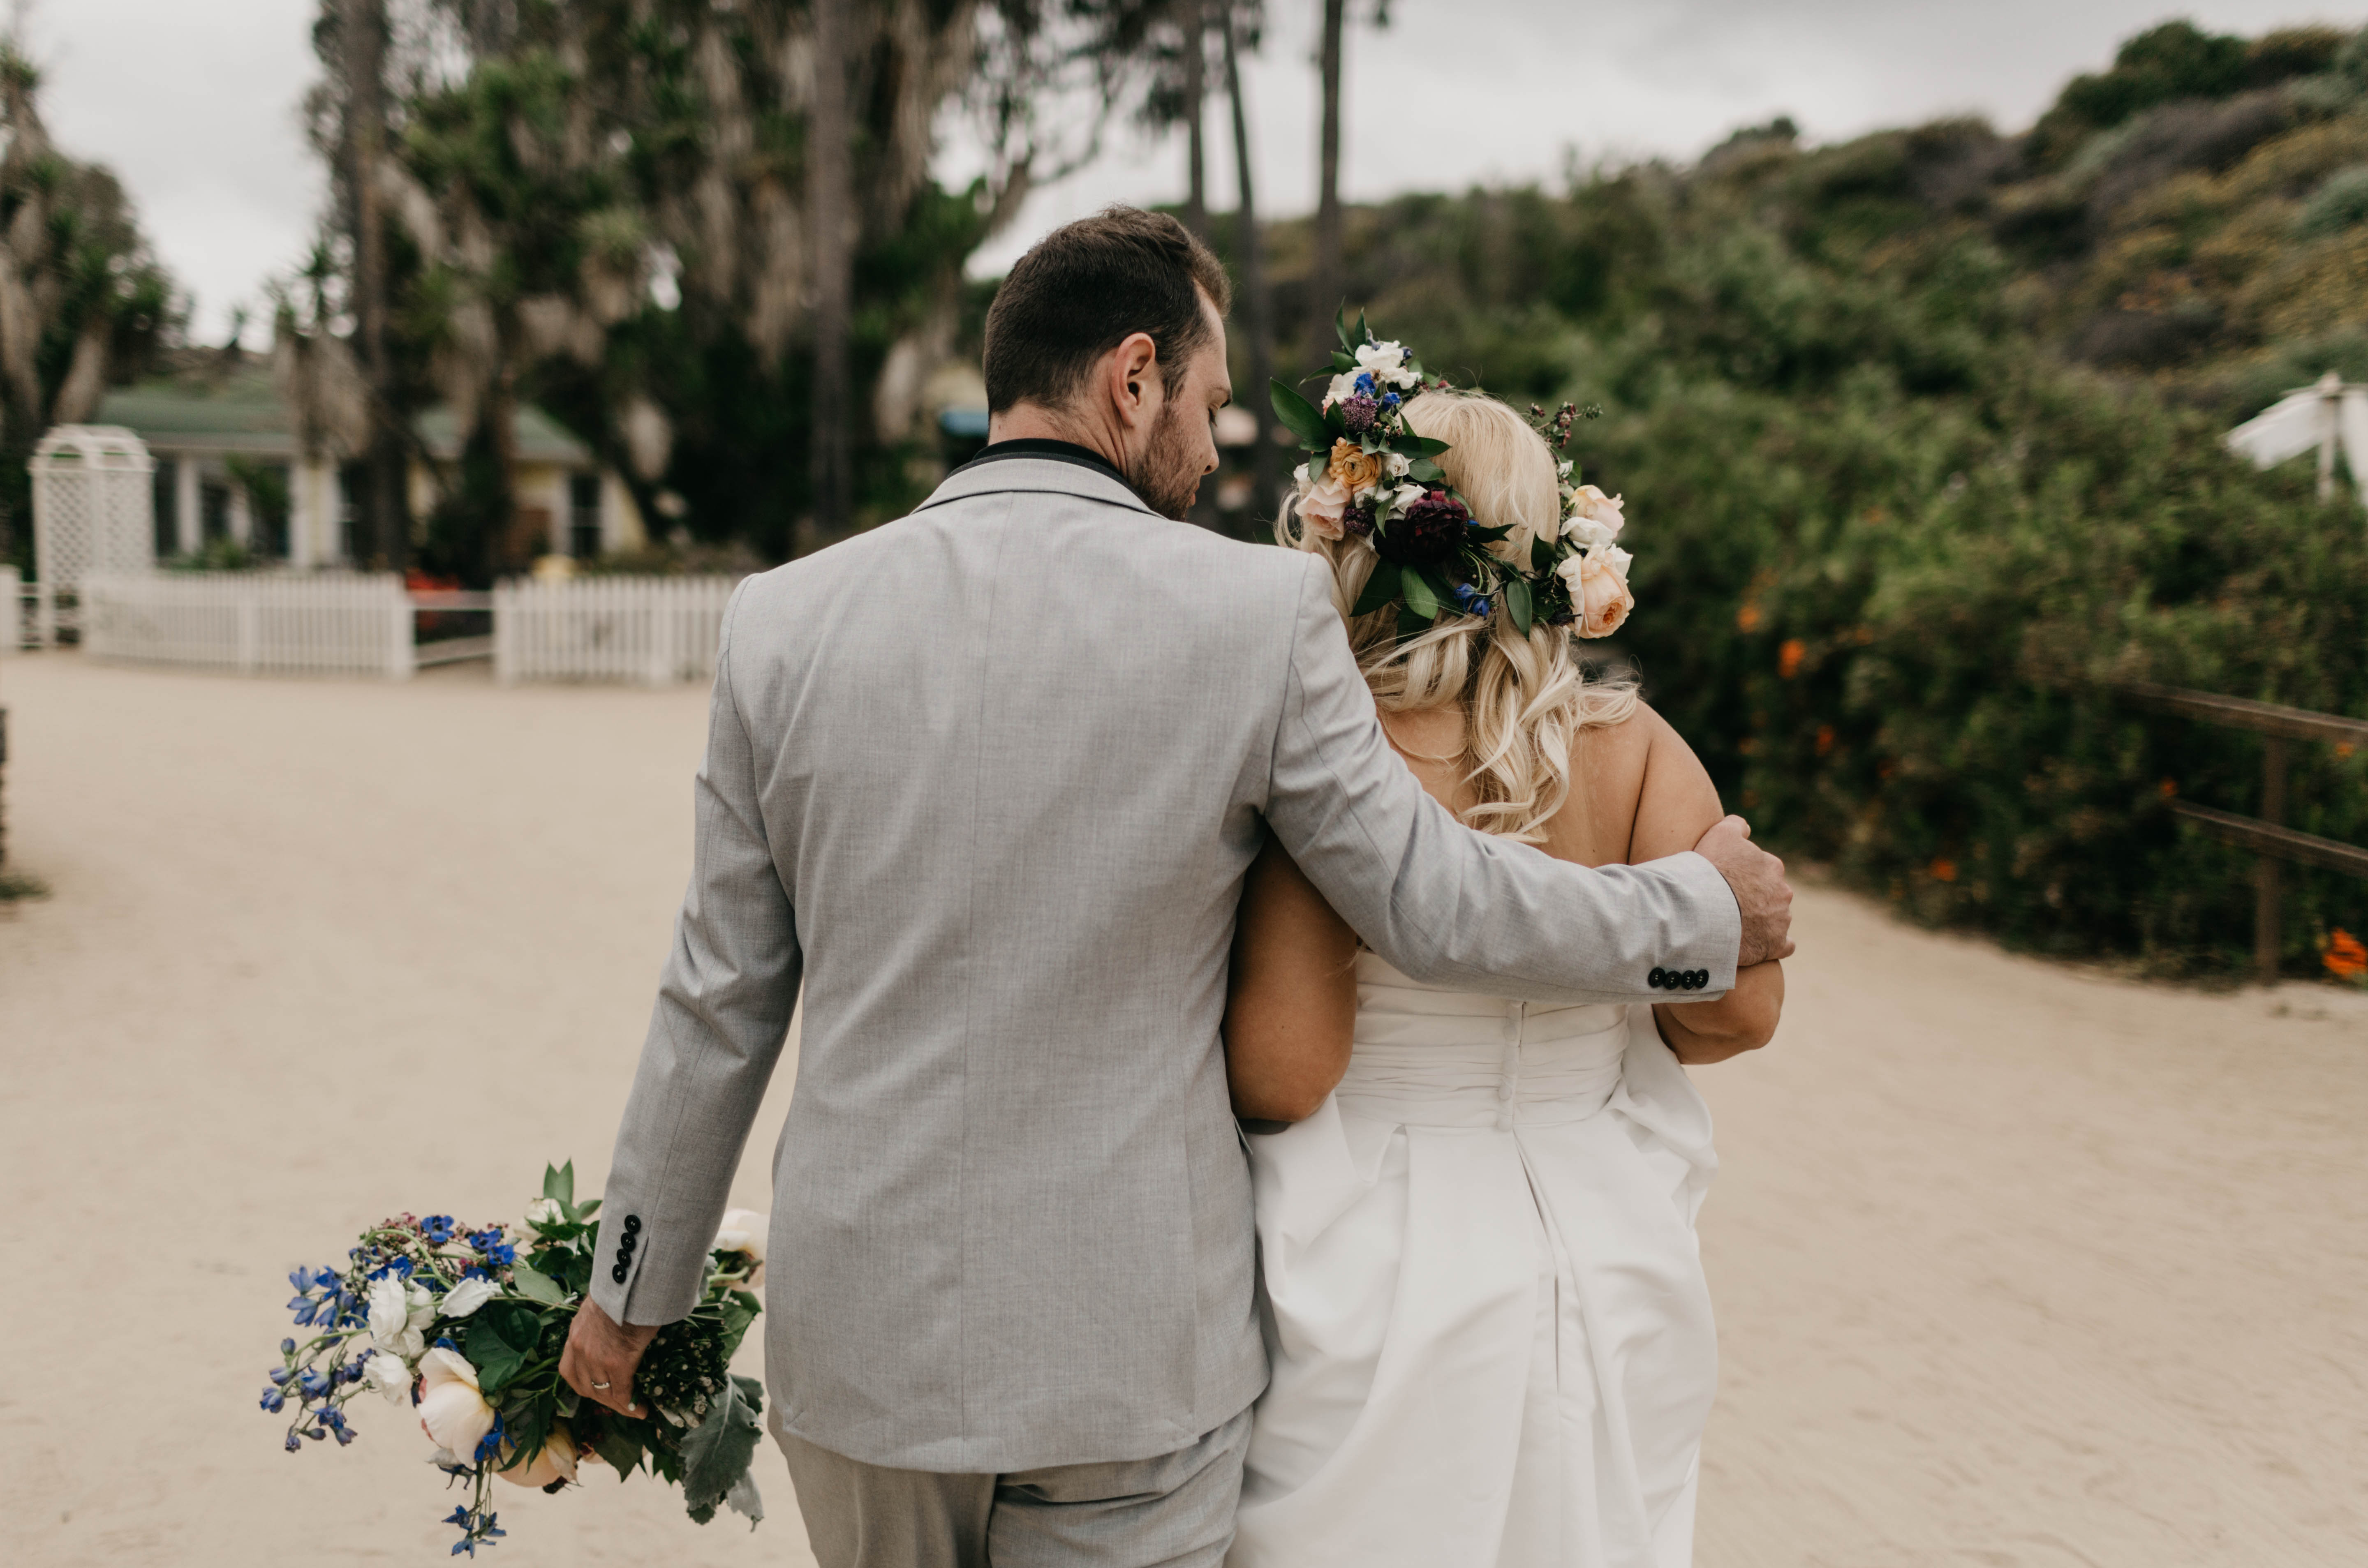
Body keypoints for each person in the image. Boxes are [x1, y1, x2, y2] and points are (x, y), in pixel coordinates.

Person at [555, 206, 1793, 1568]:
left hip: (866, 1351)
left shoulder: (779, 620)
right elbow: (1434, 903)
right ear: (1129, 377)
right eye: (1205, 403)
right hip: (1134, 1359)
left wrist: (630, 1290)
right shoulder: (1258, 615)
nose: (1212, 449)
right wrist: (1705, 914)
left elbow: (719, 1000)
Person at [1221, 388, 1783, 1567]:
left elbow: (1287, 1067)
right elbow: (1740, 1010)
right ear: (1553, 546)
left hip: (1390, 1256)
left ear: (1362, 537)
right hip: (1607, 1234)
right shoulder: (1633, 746)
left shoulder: (1338, 762)